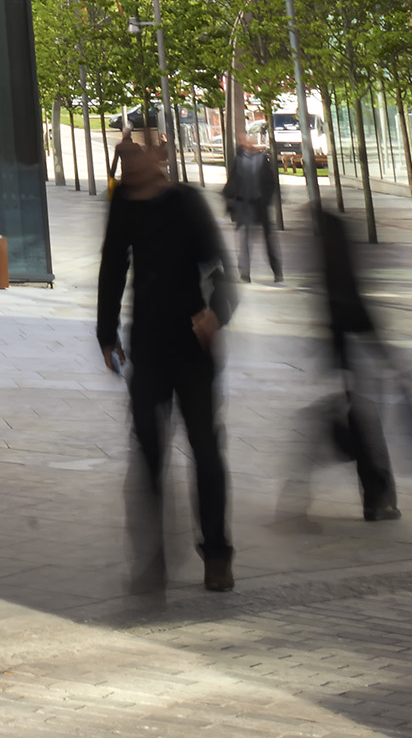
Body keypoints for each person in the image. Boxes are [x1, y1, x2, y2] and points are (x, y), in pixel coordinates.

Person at [97, 119, 239, 596]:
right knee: (148, 452)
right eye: (127, 155)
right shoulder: (123, 203)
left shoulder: (186, 202)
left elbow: (221, 269)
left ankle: (216, 554)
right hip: (148, 345)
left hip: (193, 345)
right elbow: (113, 264)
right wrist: (106, 332)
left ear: (159, 157)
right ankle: (152, 559)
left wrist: (216, 315)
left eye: (141, 152)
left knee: (205, 450)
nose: (132, 162)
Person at [285, 200, 400, 525]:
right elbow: (355, 305)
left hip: (348, 352)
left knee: (360, 423)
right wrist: (381, 350)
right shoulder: (340, 265)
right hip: (357, 351)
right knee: (365, 427)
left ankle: (374, 495)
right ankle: (377, 497)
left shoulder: (328, 263)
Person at [224, 130, 284, 283]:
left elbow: (270, 182)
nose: (247, 142)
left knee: (268, 240)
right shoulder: (239, 160)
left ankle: (277, 271)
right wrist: (230, 198)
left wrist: (267, 198)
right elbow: (232, 181)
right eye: (244, 140)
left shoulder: (262, 159)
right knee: (245, 240)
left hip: (260, 204)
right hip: (245, 204)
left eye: (248, 139)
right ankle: (245, 273)